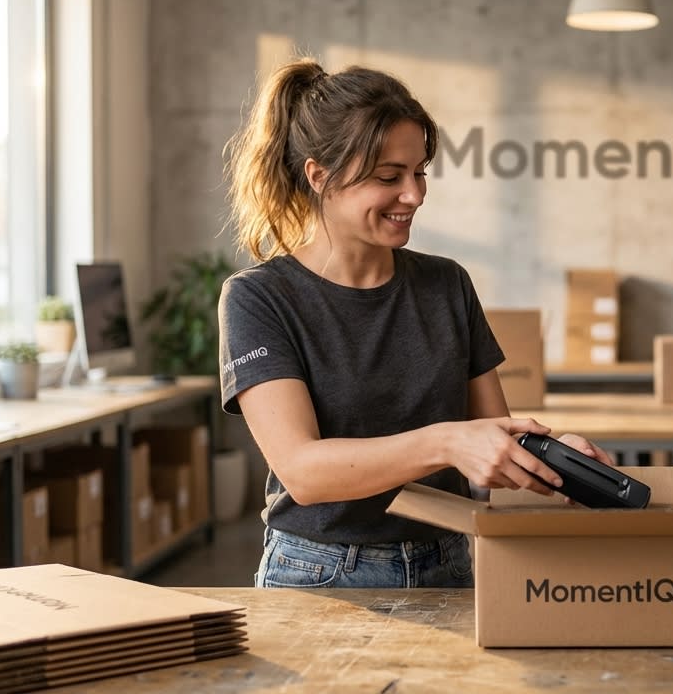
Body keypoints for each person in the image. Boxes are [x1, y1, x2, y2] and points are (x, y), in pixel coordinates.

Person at [219, 59, 612, 588]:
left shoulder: (446, 284)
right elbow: (303, 471)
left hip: (448, 560)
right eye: (389, 177)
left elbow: (494, 442)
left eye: (420, 171)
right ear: (320, 176)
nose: (415, 194)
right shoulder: (259, 298)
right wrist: (448, 443)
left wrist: (555, 463)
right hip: (319, 574)